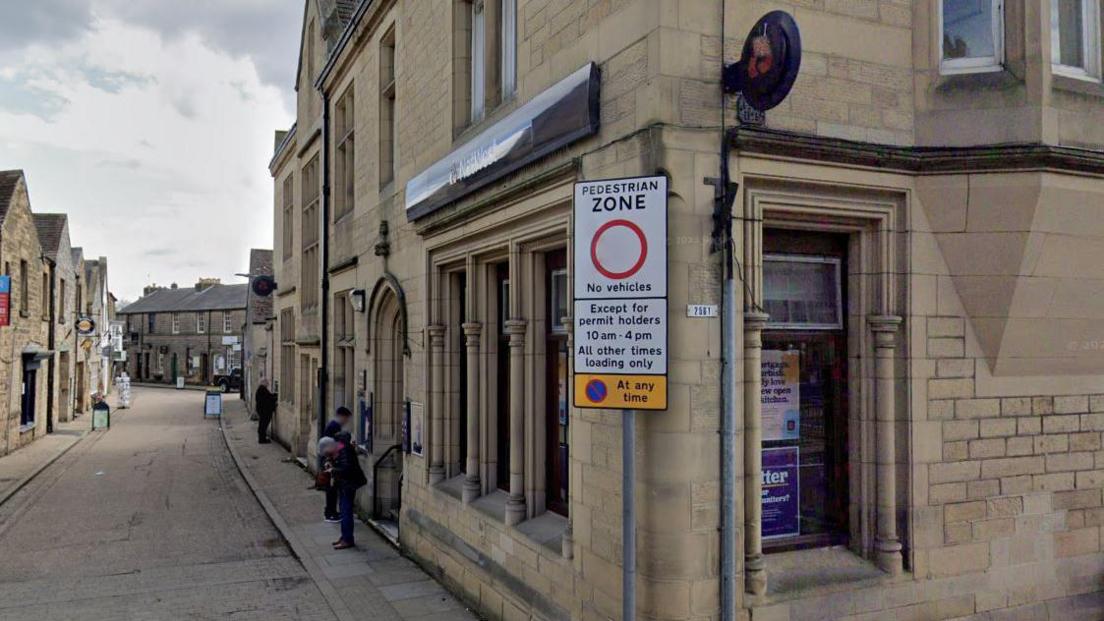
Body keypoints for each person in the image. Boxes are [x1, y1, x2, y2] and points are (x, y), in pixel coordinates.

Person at [319, 435, 366, 550]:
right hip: (344, 484)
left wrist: (333, 470)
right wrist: (329, 462)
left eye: (327, 453)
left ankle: (347, 540)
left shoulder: (344, 450)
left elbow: (347, 469)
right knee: (343, 509)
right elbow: (334, 460)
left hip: (350, 483)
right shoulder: (337, 448)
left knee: (346, 511)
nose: (328, 455)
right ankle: (345, 536)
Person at [318, 406, 354, 521]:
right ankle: (330, 513)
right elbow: (332, 445)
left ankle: (332, 511)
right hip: (330, 461)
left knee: (333, 488)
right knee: (331, 488)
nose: (347, 421)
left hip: (331, 461)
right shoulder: (334, 427)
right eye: (346, 418)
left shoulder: (335, 426)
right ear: (342, 416)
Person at [254, 380, 276, 444]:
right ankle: (262, 439)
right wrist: (274, 398)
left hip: (262, 410)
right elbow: (268, 398)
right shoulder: (262, 390)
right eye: (267, 384)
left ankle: (262, 438)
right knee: (263, 425)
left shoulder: (261, 390)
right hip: (264, 411)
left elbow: (268, 396)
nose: (267, 385)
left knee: (262, 424)